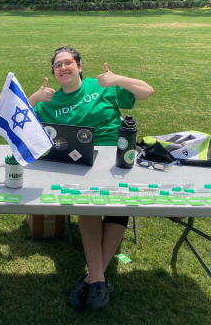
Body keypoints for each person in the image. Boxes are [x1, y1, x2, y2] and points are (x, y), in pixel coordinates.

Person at [29, 46, 154, 312]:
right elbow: (19, 126)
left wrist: (118, 79)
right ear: (53, 71)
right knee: (87, 201)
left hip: (115, 158)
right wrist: (33, 99)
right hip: (79, 163)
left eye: (68, 62)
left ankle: (93, 277)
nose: (63, 68)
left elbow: (146, 92)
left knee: (117, 203)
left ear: (80, 66)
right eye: (57, 65)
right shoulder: (49, 101)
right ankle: (98, 279)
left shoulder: (102, 87)